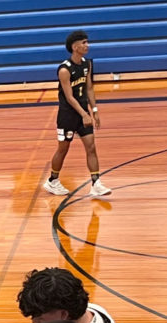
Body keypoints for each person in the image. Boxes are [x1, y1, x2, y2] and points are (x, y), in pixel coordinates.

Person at [43, 30, 112, 198]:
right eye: (84, 43)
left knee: (91, 146)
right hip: (68, 116)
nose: (87, 45)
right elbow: (69, 97)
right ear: (75, 47)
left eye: (87, 42)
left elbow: (89, 88)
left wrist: (94, 111)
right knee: (63, 149)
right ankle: (52, 180)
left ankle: (96, 183)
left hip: (83, 114)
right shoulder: (64, 70)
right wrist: (84, 114)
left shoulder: (87, 64)